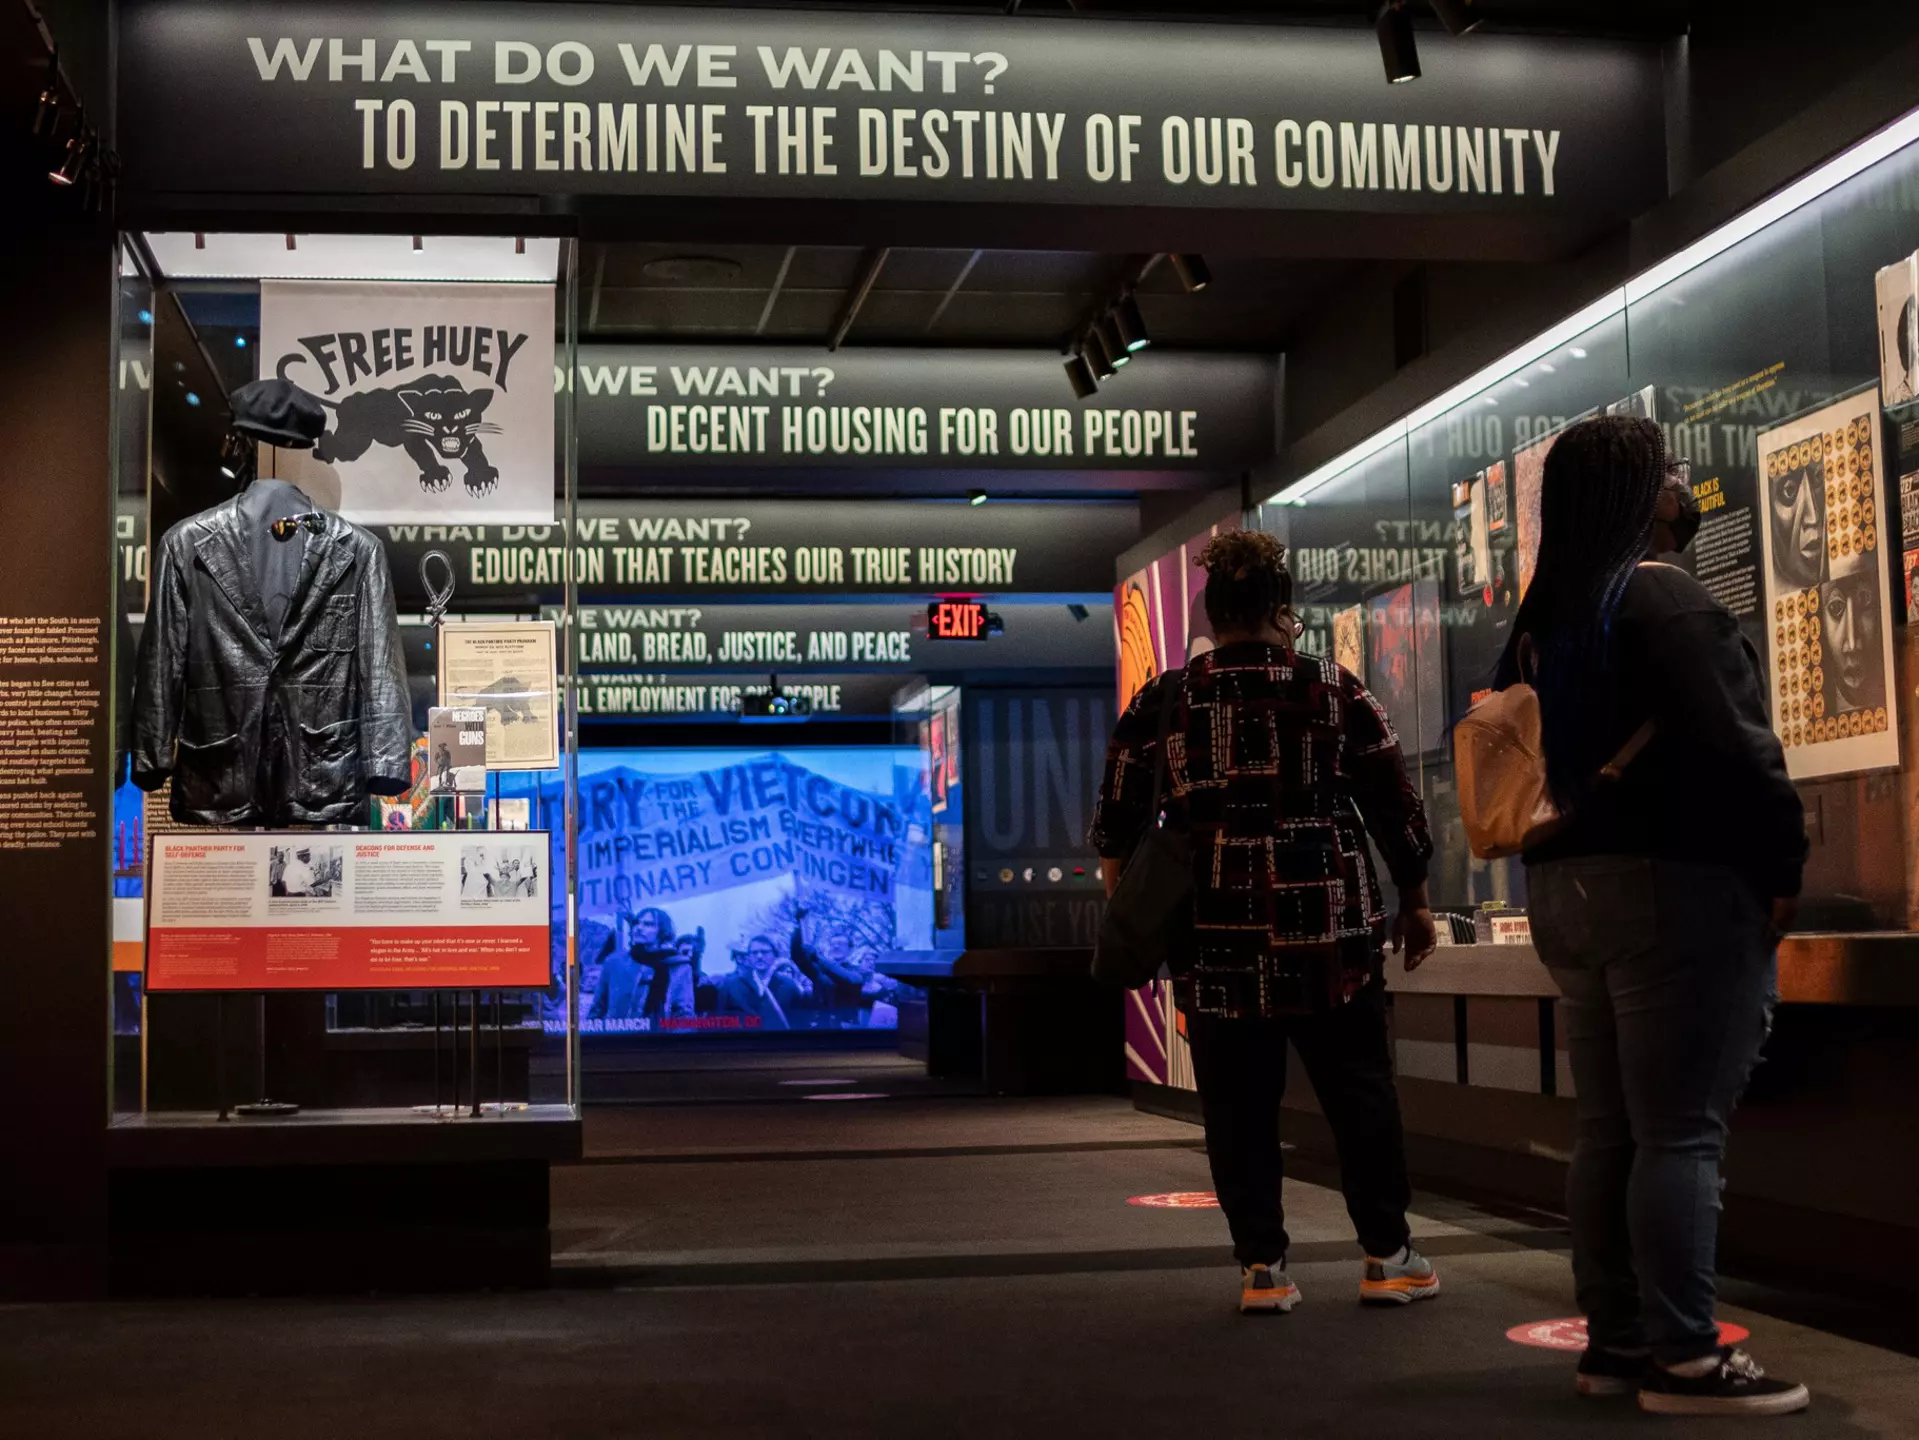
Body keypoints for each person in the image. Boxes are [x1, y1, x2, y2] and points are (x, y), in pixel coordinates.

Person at [1498, 415, 1810, 1416]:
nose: (1683, 484)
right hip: (1669, 890)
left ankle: (1615, 1345)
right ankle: (1683, 1355)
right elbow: (1735, 746)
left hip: (1565, 895)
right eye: (1669, 469)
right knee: (1679, 1134)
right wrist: (1781, 862)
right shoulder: (1660, 596)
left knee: (1610, 1131)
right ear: (1639, 488)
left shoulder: (1542, 617)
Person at [1089, 529, 1440, 1318]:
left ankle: (1262, 1269)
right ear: (1282, 613)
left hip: (1215, 934)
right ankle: (1386, 1255)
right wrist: (1414, 898)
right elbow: (1392, 800)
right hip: (1329, 926)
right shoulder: (1332, 686)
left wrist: (1131, 895)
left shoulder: (1167, 699)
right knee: (1358, 1095)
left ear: (1213, 615)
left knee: (1236, 1105)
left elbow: (1115, 816)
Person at [589, 906, 674, 1025]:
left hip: (658, 1038)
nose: (639, 928)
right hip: (616, 1037)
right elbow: (598, 1008)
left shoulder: (675, 965)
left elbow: (683, 1012)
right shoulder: (614, 962)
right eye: (636, 923)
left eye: (648, 924)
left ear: (662, 931)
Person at [790, 908, 872, 1026]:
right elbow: (798, 957)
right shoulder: (820, 970)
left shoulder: (858, 971)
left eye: (841, 944)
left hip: (847, 1030)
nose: (836, 947)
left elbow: (850, 979)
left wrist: (818, 957)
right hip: (823, 1028)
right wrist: (799, 926)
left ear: (850, 949)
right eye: (833, 944)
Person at [716, 934, 812, 1030]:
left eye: (765, 952)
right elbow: (720, 1023)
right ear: (749, 957)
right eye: (754, 952)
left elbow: (800, 1025)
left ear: (775, 955)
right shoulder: (731, 986)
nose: (759, 956)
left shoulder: (790, 987)